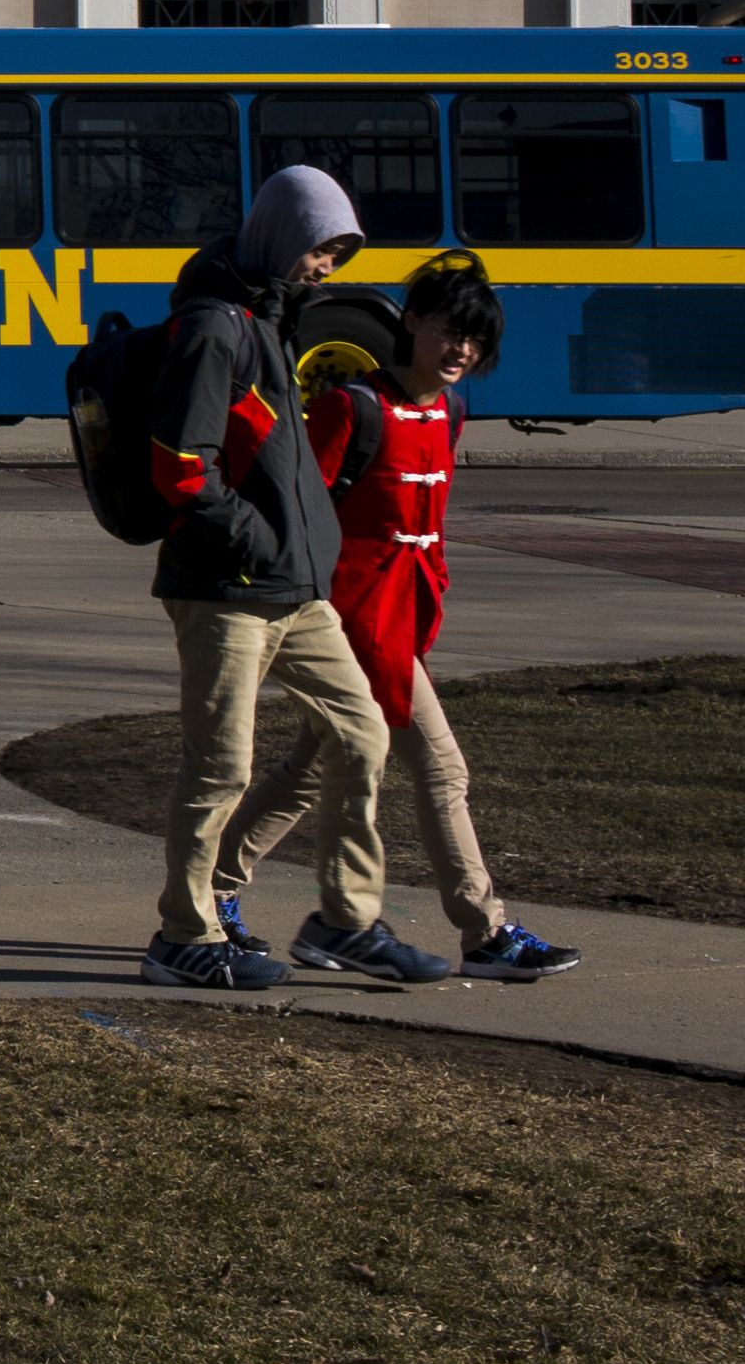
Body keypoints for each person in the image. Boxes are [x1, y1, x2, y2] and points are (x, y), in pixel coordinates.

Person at [217, 254, 582, 982]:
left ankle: (213, 891)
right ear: (410, 323)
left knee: (312, 767)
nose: (460, 350)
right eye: (448, 330)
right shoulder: (351, 408)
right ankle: (484, 932)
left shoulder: (448, 411)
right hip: (347, 625)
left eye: (474, 339)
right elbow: (297, 513)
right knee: (441, 768)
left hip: (402, 619)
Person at [139, 164, 444, 990]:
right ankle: (182, 935)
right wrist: (256, 541)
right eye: (320, 248)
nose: (326, 267)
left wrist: (291, 552)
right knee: (218, 768)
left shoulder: (267, 319)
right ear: (281, 235)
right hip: (225, 591)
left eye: (338, 254)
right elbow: (180, 468)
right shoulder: (214, 327)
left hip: (294, 591)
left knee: (361, 734)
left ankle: (346, 921)